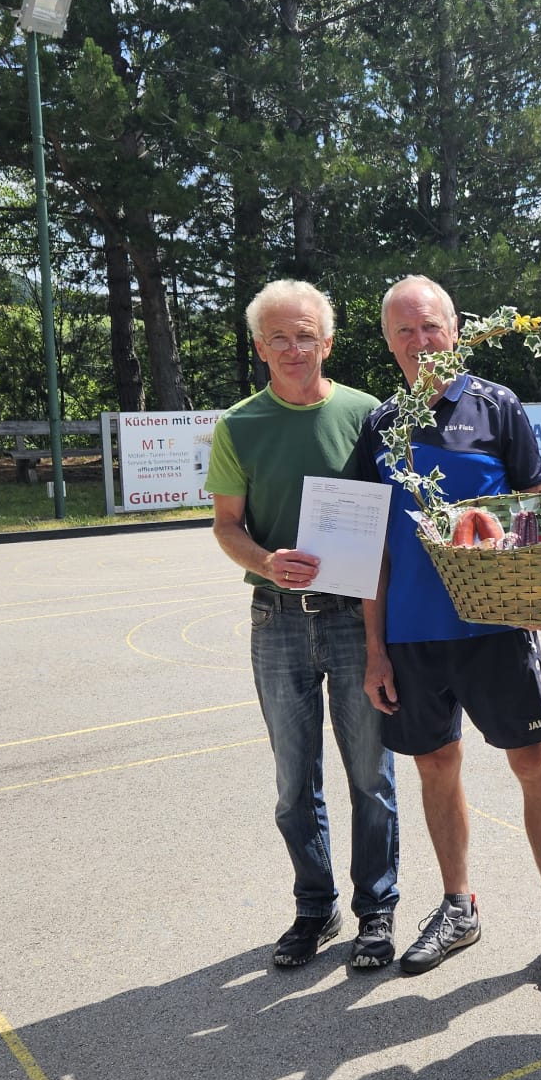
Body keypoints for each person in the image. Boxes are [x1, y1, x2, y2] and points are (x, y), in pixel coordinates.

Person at [355, 276, 541, 996]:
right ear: (388, 342)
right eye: (404, 330)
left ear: (455, 330)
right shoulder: (380, 425)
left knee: (532, 766)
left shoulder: (497, 406)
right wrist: (374, 649)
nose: (420, 342)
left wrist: (537, 596)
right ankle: (459, 908)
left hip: (495, 629)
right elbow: (369, 548)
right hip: (412, 636)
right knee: (435, 767)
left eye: (431, 327)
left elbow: (536, 514)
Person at [208, 279, 399, 971]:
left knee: (371, 777)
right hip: (277, 619)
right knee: (294, 782)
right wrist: (266, 559)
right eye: (279, 338)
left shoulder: (367, 415)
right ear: (261, 348)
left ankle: (376, 909)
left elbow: (384, 538)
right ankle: (315, 908)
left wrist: (379, 645)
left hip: (353, 619)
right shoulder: (239, 425)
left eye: (306, 336)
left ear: (329, 342)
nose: (294, 349)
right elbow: (226, 526)